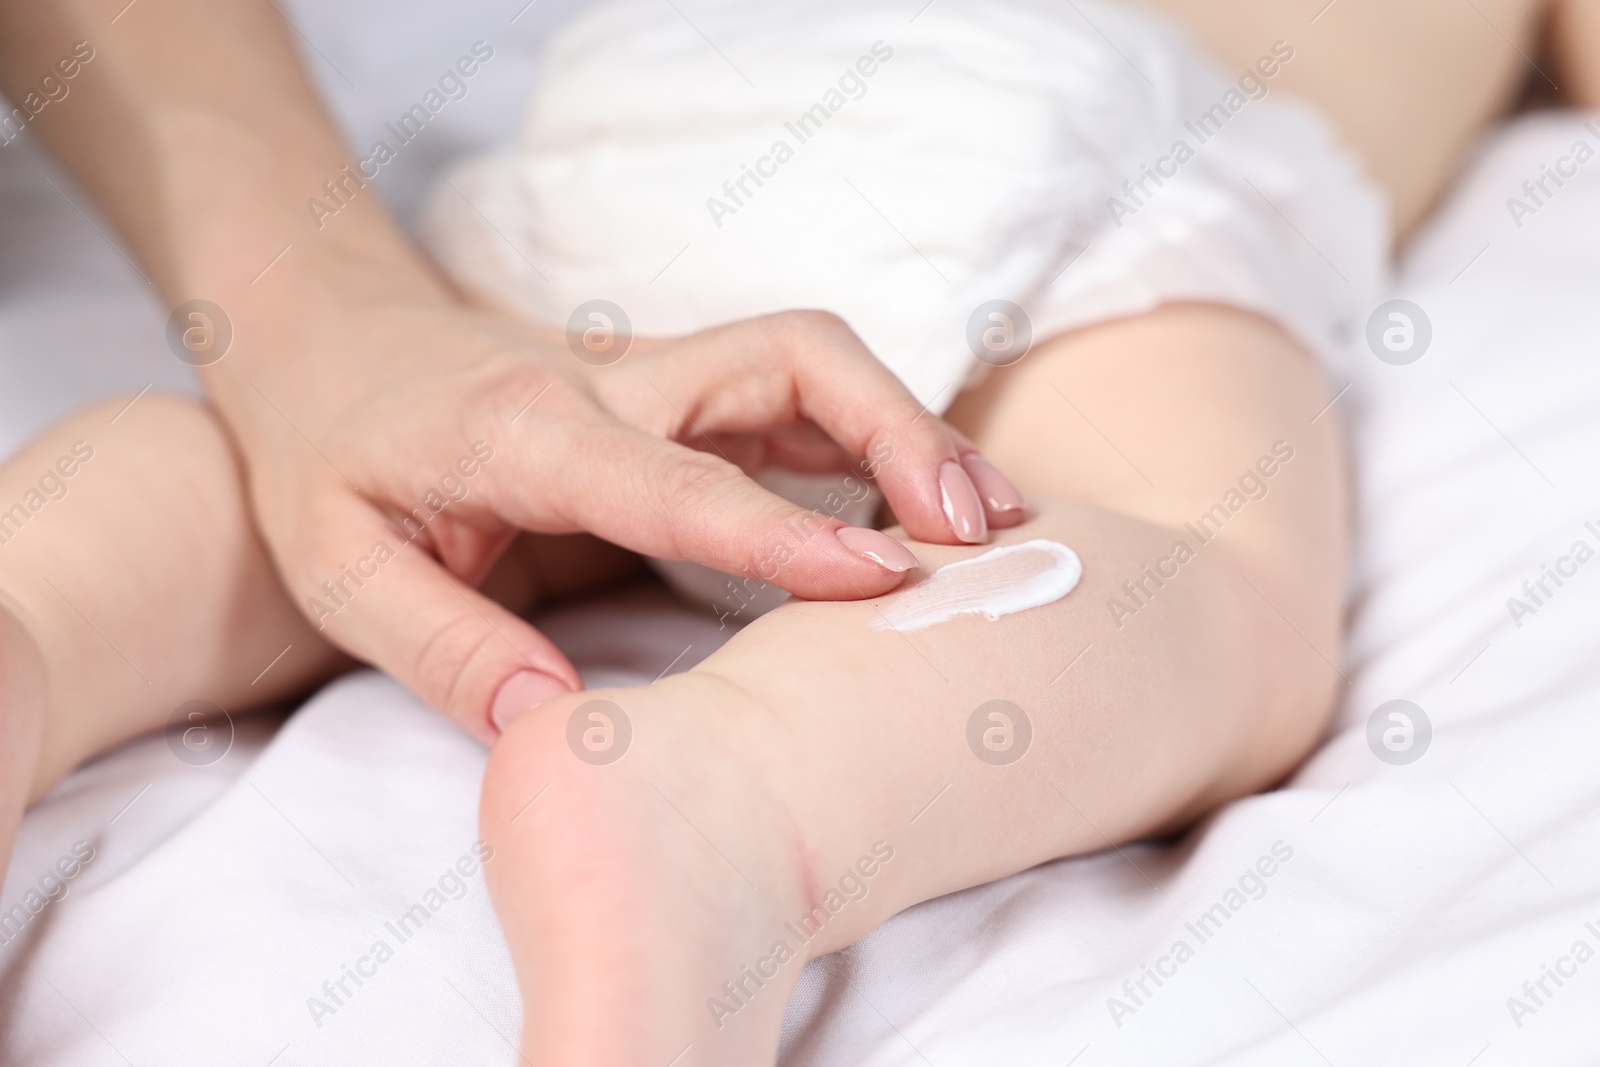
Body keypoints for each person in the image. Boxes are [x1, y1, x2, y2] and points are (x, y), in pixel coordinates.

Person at [0, 0, 1590, 1063]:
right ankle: (734, 800)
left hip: (662, 108)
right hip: (1098, 128)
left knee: (415, 473)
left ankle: (41, 619)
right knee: (1202, 570)